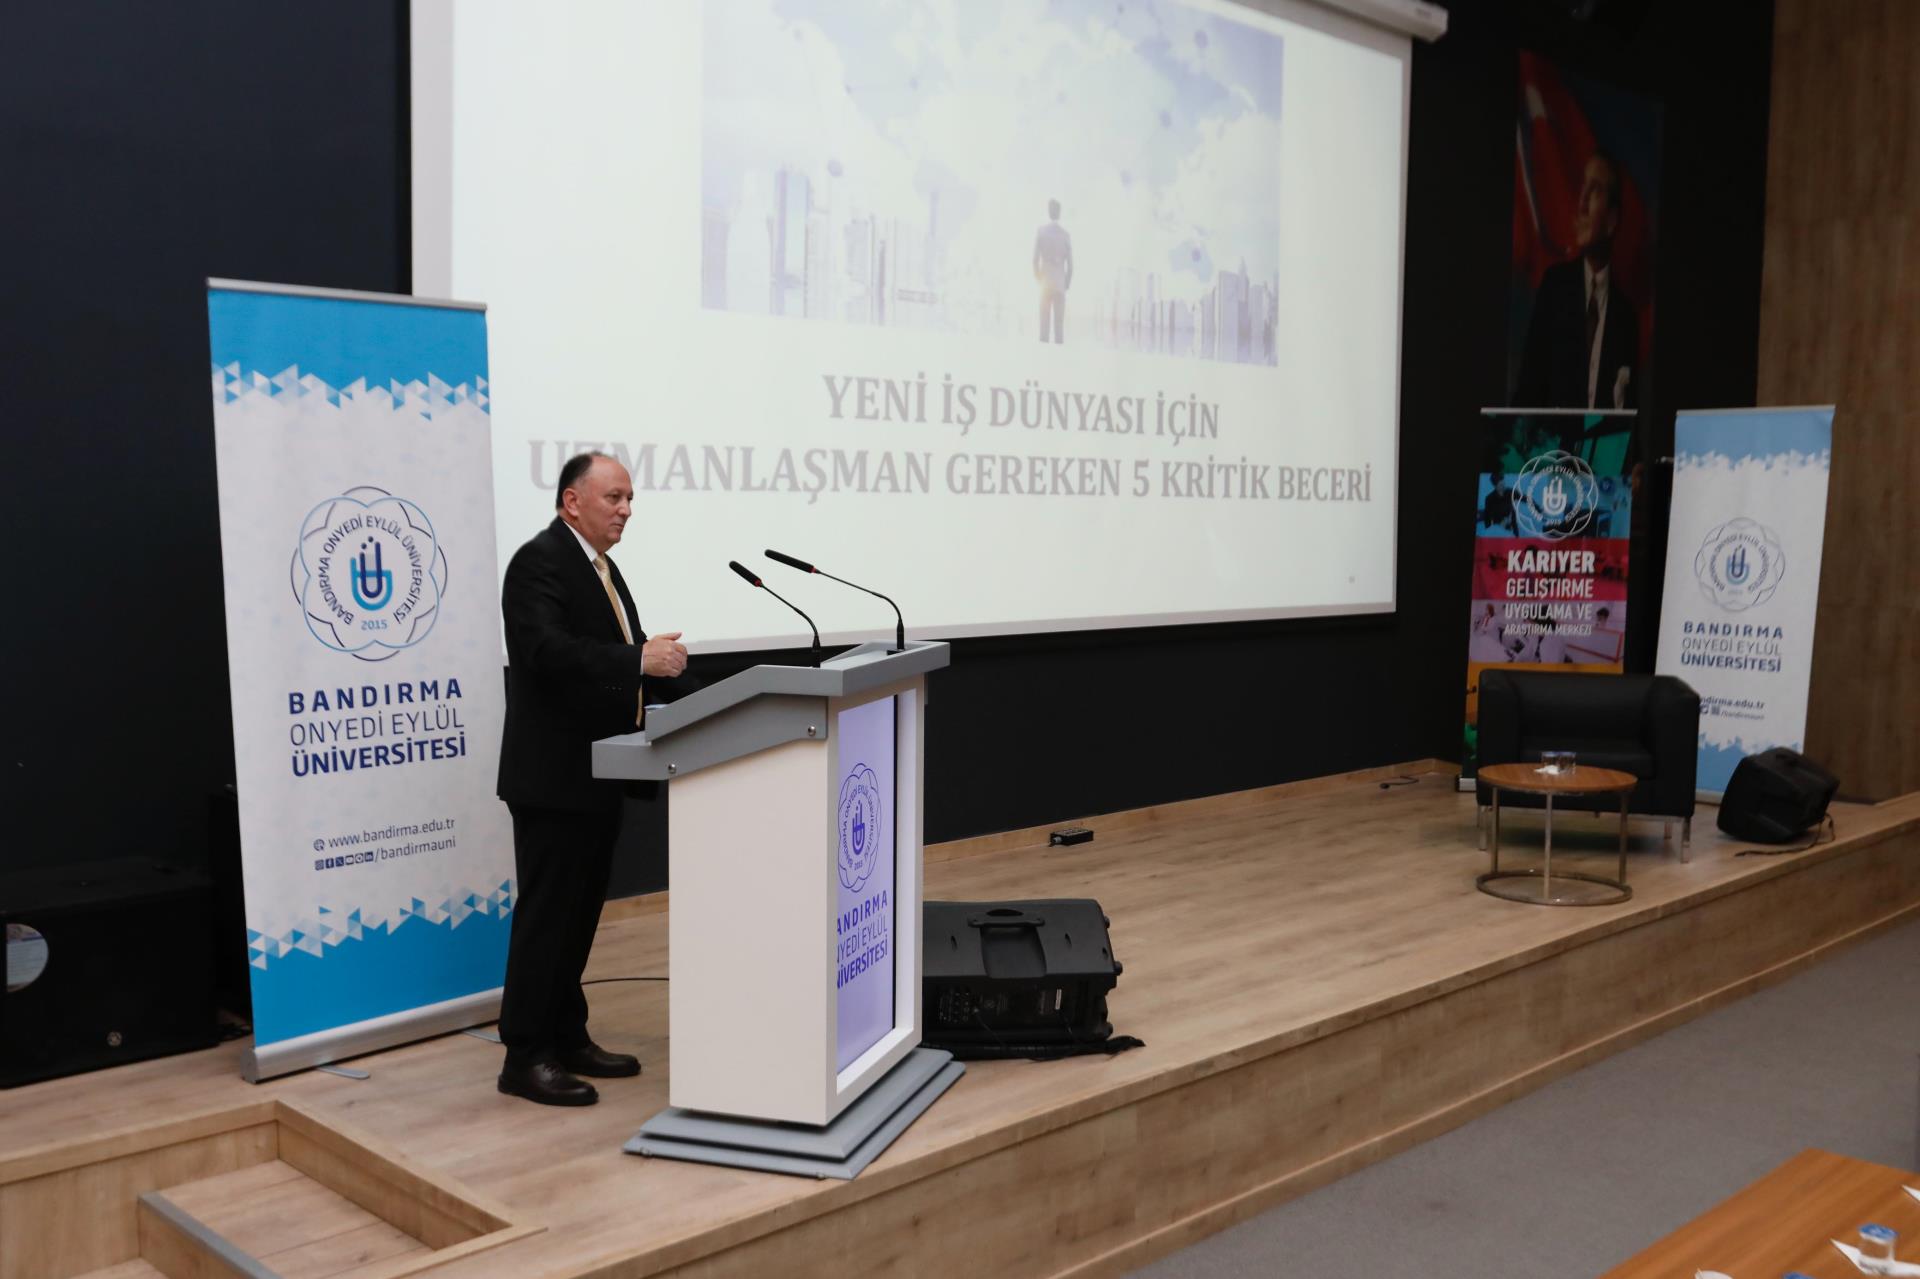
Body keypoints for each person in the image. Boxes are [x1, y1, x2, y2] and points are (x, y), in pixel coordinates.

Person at [494, 451, 695, 1106]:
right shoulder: (538, 562)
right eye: (615, 497)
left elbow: (616, 658)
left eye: (630, 498)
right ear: (572, 501)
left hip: (599, 773)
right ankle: (525, 1055)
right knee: (548, 916)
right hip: (554, 777)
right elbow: (545, 652)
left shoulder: (601, 567)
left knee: (578, 916)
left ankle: (567, 1036)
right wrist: (639, 658)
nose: (627, 509)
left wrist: (670, 674)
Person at [1513, 151, 1639, 410]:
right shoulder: (1555, 289)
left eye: (1594, 190)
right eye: (1583, 188)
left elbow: (1630, 416)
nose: (1581, 203)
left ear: (1612, 220)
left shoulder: (1625, 316)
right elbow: (1528, 391)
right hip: (1553, 438)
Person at [1033, 198, 1073, 343]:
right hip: (1060, 285)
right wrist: (1066, 283)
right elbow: (1071, 265)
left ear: (1048, 212)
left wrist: (1039, 279)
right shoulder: (1066, 235)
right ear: (1059, 213)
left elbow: (1034, 261)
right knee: (1059, 329)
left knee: (1044, 328)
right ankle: (1059, 356)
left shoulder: (1041, 232)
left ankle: (1043, 356)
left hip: (1045, 285)